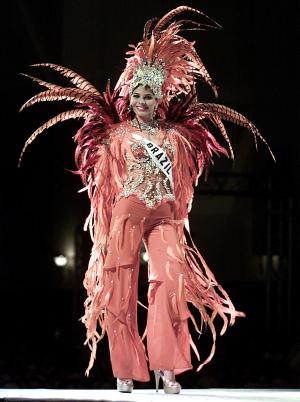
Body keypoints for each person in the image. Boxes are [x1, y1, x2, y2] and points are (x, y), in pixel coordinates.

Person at [19, 6, 274, 394]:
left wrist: (179, 210)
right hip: (127, 211)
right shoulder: (115, 137)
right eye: (136, 94)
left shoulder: (176, 137)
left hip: (166, 215)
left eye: (148, 95)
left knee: (170, 285)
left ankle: (166, 368)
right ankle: (125, 369)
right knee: (121, 286)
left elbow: (186, 182)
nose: (141, 100)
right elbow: (104, 186)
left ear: (159, 98)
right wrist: (103, 228)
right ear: (130, 96)